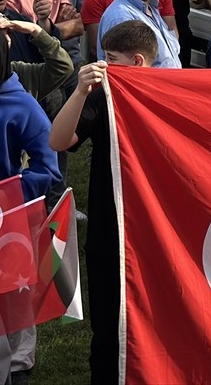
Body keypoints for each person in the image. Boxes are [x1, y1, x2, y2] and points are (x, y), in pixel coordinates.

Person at [50, 20, 157, 382]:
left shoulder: (172, 94)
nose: (102, 65)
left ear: (138, 61)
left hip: (157, 233)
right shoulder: (102, 95)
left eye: (110, 58)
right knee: (110, 325)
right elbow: (59, 141)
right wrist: (80, 92)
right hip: (110, 229)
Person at [0, 25, 61, 385]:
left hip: (6, 219)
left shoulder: (21, 104)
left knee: (12, 301)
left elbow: (48, 168)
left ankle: (15, 369)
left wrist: (0, 194)